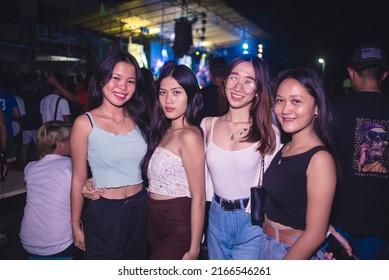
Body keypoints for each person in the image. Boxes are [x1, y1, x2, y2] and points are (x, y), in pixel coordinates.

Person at [70, 49, 150, 260]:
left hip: (141, 207)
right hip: (105, 212)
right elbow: (78, 177)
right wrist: (75, 223)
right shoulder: (84, 123)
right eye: (116, 78)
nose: (122, 87)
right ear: (101, 80)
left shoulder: (140, 119)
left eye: (130, 81)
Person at [201, 54, 281, 260]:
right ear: (225, 81)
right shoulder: (207, 125)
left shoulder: (270, 132)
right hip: (215, 218)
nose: (238, 87)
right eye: (234, 77)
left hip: (251, 222)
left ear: (258, 91)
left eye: (249, 81)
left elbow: (282, 186)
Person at [259, 67, 337, 260]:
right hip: (268, 244)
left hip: (291, 252)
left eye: (296, 101)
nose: (285, 109)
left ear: (317, 107)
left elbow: (315, 234)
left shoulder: (319, 159)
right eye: (280, 100)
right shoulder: (286, 147)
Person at [331, 43, 389, 260]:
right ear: (384, 74)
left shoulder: (334, 109)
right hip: (381, 222)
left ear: (351, 73)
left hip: (338, 217)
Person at [142, 64, 205, 260]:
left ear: (191, 95)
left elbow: (199, 197)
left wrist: (194, 249)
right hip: (153, 218)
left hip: (178, 222)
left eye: (176, 92)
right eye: (163, 92)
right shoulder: (165, 130)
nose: (168, 100)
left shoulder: (189, 136)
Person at [19, 120, 76, 259]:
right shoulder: (72, 166)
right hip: (58, 241)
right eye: (71, 139)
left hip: (28, 240)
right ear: (59, 144)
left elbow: (44, 161)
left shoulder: (30, 168)